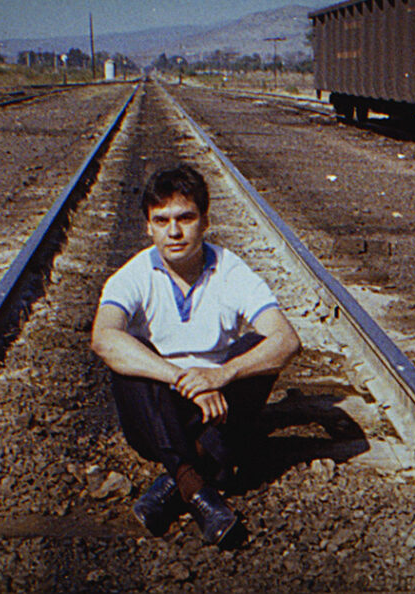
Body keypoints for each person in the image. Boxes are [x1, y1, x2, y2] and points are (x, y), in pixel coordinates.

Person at [91, 163, 300, 547]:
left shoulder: (230, 270)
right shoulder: (132, 275)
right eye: (162, 220)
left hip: (217, 414)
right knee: (131, 354)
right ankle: (199, 489)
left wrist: (221, 375)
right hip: (156, 415)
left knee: (255, 346)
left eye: (185, 218)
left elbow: (286, 339)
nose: (174, 232)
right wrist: (182, 379)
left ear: (205, 221)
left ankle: (177, 479)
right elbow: (103, 337)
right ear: (148, 227)